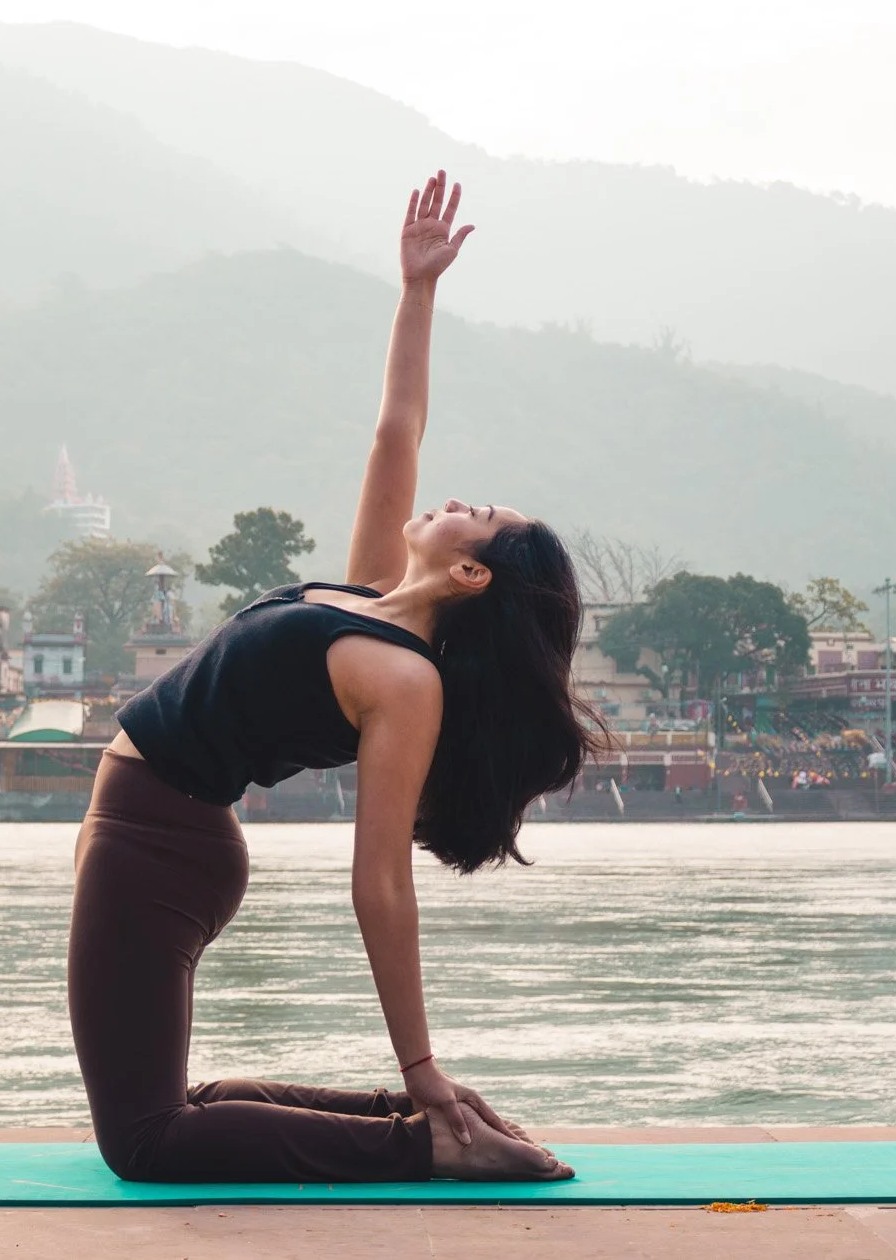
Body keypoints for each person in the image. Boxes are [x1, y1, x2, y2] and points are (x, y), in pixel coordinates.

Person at [70, 171, 595, 1185]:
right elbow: (393, 431)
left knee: (144, 1145)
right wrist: (417, 289)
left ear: (471, 570)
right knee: (186, 1111)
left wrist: (421, 1060)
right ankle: (429, 1122)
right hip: (159, 833)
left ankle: (425, 1138)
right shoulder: (368, 600)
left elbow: (380, 881)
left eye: (472, 510)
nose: (450, 497)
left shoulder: (405, 683)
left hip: (157, 841)